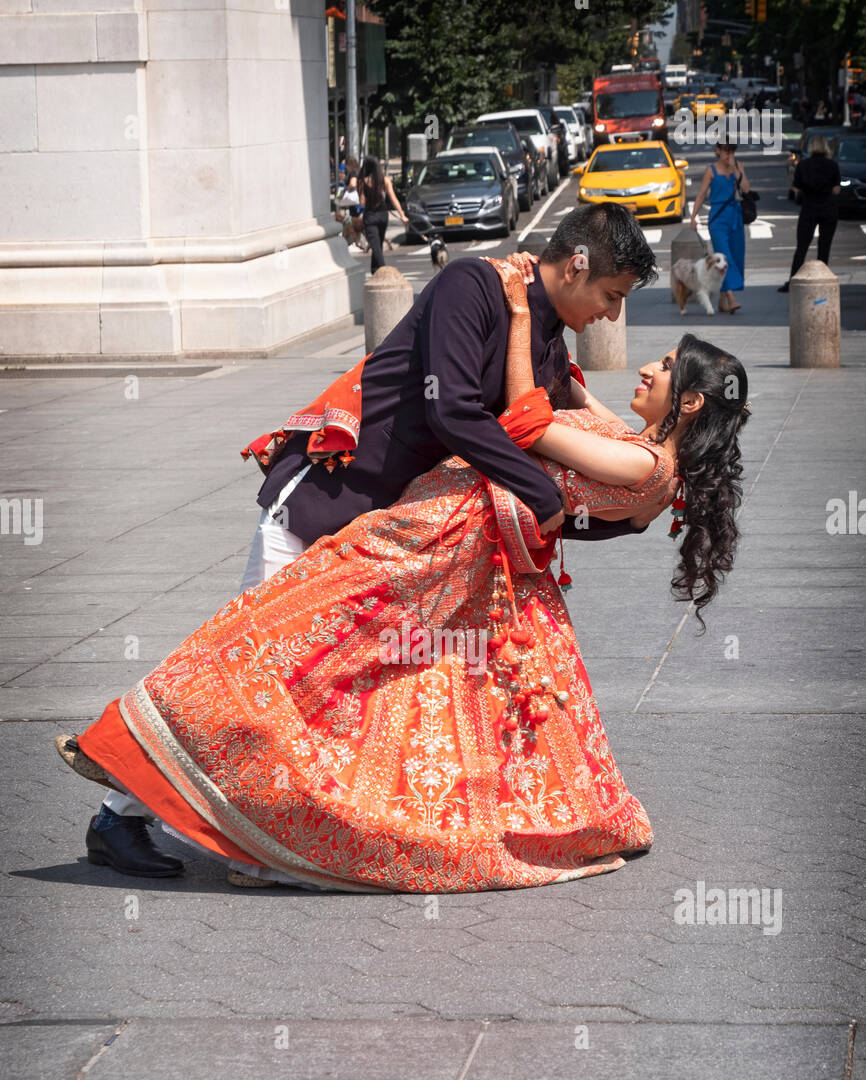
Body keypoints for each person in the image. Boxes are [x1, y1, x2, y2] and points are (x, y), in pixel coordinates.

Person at [58, 256, 748, 892]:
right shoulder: (642, 454)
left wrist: (515, 319)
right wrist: (541, 321)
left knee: (280, 649)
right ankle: (141, 776)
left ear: (689, 405)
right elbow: (571, 398)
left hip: (437, 541)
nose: (643, 360)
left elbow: (530, 423)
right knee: (309, 660)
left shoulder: (646, 466)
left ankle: (136, 760)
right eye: (613, 296)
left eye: (664, 366)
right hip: (447, 542)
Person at [690, 140, 749, 314]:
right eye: (725, 151)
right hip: (717, 219)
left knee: (737, 257)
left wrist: (736, 171)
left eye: (731, 151)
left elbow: (746, 189)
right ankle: (731, 299)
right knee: (726, 258)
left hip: (735, 217)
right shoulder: (711, 170)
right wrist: (693, 217)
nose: (728, 154)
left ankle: (722, 301)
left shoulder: (738, 166)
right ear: (718, 151)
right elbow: (701, 195)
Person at [779, 134, 841, 292]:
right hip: (828, 209)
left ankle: (793, 281)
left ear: (811, 147)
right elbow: (836, 189)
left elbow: (796, 188)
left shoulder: (803, 165)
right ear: (826, 147)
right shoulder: (832, 165)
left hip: (809, 208)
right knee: (824, 246)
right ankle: (823, 280)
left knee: (802, 247)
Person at [359, 157, 407, 273]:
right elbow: (393, 198)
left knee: (376, 247)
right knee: (378, 245)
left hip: (370, 216)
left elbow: (362, 202)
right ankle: (375, 270)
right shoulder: (384, 180)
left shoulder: (363, 181)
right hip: (383, 215)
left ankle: (384, 271)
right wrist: (402, 214)